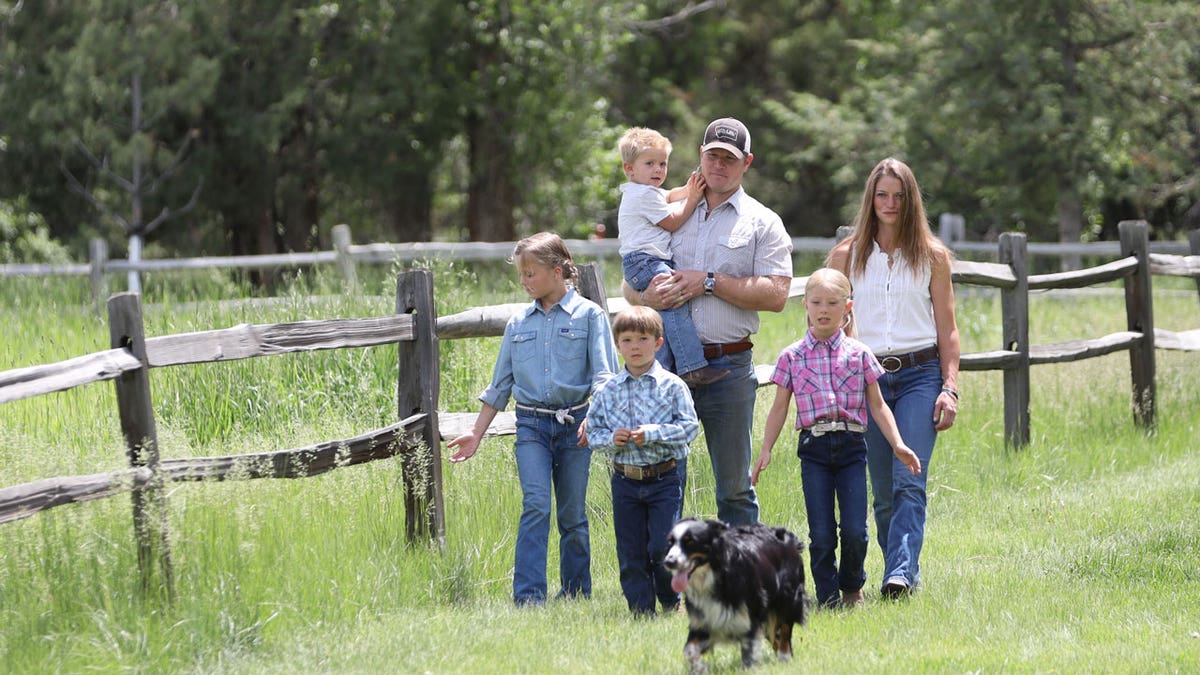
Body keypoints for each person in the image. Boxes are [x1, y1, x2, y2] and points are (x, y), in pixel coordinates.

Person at [627, 117, 794, 526]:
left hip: (729, 367)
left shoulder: (762, 221)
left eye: (729, 159)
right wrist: (647, 297)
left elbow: (776, 295)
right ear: (700, 155)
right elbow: (631, 284)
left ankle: (744, 581)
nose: (719, 165)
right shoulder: (664, 207)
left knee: (734, 486)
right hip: (663, 368)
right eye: (712, 155)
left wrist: (708, 282)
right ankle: (666, 586)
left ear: (747, 163)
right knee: (661, 481)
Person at [446, 232, 618, 606]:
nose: (524, 281)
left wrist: (597, 417)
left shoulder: (590, 316)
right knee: (536, 504)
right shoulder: (518, 323)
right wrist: (476, 434)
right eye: (521, 274)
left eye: (530, 273)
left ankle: (575, 592)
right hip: (531, 427)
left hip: (577, 426)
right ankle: (528, 597)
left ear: (557, 272)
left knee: (572, 513)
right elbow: (499, 386)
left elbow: (605, 376)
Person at [826, 157, 961, 599]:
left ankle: (901, 573)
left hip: (920, 375)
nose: (890, 203)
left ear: (910, 201)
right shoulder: (846, 256)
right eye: (882, 195)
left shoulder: (933, 256)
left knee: (909, 478)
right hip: (867, 379)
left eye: (899, 197)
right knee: (882, 490)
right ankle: (895, 570)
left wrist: (950, 388)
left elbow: (948, 329)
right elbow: (831, 321)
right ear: (871, 199)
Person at [751, 268, 921, 609]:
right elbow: (779, 409)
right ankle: (828, 598)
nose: (824, 309)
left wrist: (898, 443)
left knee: (855, 530)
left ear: (848, 307)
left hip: (853, 448)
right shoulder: (792, 356)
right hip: (814, 449)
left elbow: (878, 406)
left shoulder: (859, 355)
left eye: (832, 302)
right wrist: (765, 449)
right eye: (816, 302)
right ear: (806, 306)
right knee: (822, 533)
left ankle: (851, 587)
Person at [586, 305, 700, 616]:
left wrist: (652, 433)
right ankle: (640, 610)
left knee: (661, 547)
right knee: (631, 550)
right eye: (626, 340)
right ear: (617, 345)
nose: (635, 347)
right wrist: (612, 439)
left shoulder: (672, 385)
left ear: (658, 343)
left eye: (642, 339)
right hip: (624, 479)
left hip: (665, 477)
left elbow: (690, 428)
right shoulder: (608, 391)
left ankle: (669, 600)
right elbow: (593, 432)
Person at [616, 127, 728, 386]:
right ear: (629, 168)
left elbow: (668, 195)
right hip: (644, 261)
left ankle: (662, 369)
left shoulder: (643, 191)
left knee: (662, 316)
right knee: (674, 298)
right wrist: (694, 199)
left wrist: (688, 189)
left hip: (643, 262)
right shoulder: (643, 195)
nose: (658, 169)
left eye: (662, 164)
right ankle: (692, 367)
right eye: (650, 163)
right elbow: (673, 221)